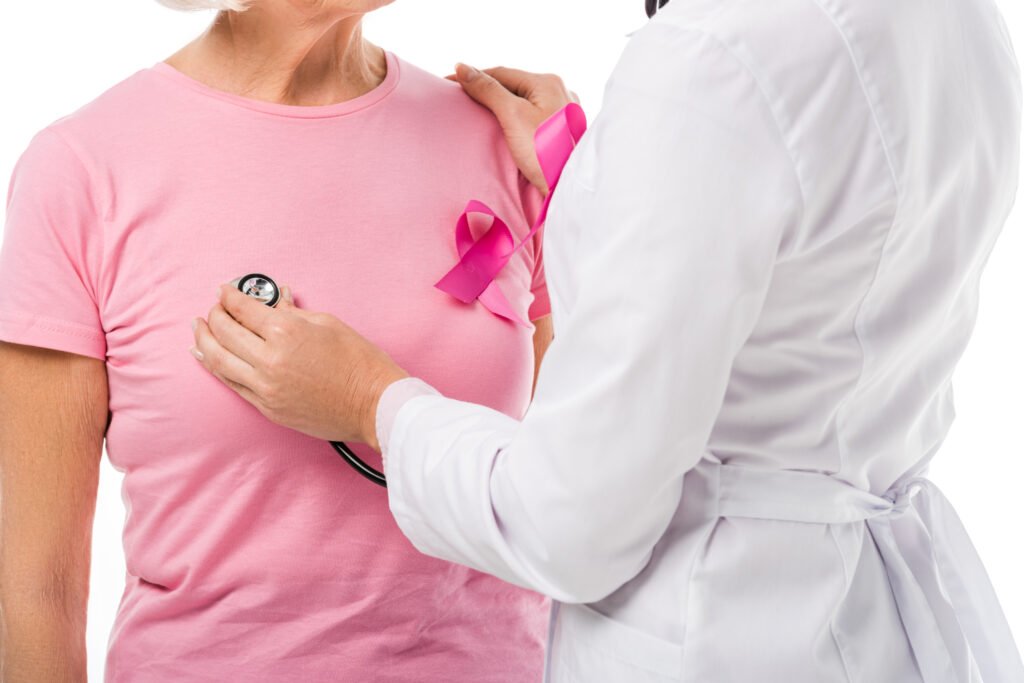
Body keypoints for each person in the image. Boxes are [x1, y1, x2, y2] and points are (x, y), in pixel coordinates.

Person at [192, 0, 1024, 680]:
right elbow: (816, 249)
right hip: (867, 623)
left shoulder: (712, 59)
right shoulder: (961, 21)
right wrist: (613, 176)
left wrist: (373, 401)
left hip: (724, 633)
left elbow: (572, 524)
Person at [0, 0, 562, 680]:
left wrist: (588, 182)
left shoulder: (510, 139)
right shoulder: (82, 170)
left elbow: (587, 477)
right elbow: (36, 593)